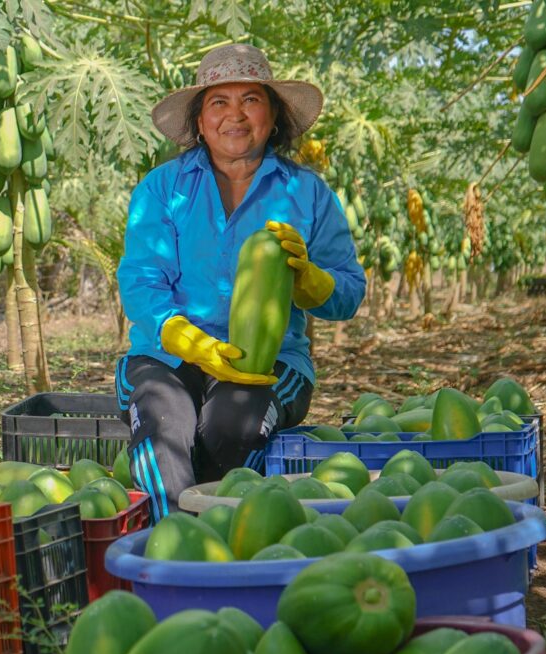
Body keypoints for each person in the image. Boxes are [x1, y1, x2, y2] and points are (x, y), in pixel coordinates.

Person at [114, 44, 366, 521]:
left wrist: (312, 283)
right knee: (163, 425)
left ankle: (224, 542)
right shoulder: (162, 189)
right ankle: (176, 542)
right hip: (167, 354)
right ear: (200, 120)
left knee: (234, 426)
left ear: (273, 117)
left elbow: (349, 291)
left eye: (251, 100)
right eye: (218, 102)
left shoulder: (308, 193)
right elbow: (142, 279)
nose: (235, 116)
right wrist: (181, 334)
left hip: (269, 364)